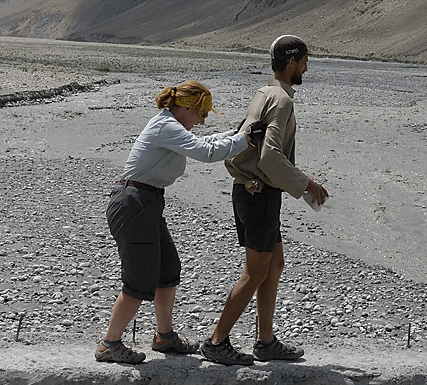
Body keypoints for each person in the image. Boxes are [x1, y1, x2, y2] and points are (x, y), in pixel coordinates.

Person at [96, 80, 266, 364]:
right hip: (135, 203)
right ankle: (109, 343)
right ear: (187, 107)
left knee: (167, 269)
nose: (203, 120)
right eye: (202, 113)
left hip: (145, 202)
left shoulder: (171, 126)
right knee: (139, 279)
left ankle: (165, 337)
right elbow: (206, 153)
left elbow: (205, 142)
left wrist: (237, 134)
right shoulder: (167, 126)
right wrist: (244, 140)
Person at [201, 35, 329, 365]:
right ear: (291, 63)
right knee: (255, 271)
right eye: (303, 62)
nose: (305, 67)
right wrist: (306, 184)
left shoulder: (265, 92)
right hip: (259, 195)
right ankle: (217, 342)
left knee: (275, 264)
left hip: (254, 193)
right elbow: (270, 157)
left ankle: (266, 341)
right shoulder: (282, 101)